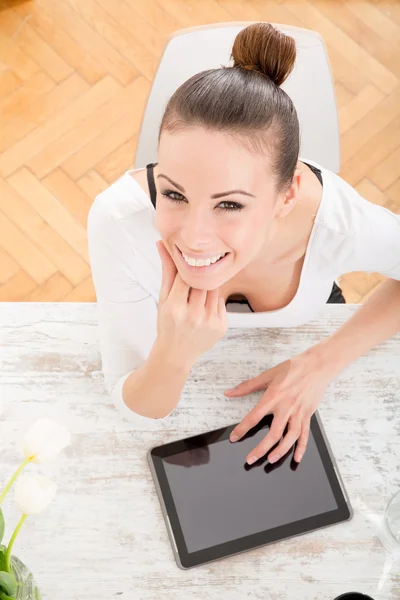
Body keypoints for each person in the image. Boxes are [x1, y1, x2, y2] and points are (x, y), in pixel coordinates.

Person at [87, 23, 400, 467]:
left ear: (288, 195)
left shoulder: (337, 224)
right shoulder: (118, 222)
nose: (193, 237)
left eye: (230, 204)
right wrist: (174, 354)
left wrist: (320, 363)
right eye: (174, 194)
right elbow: (136, 406)